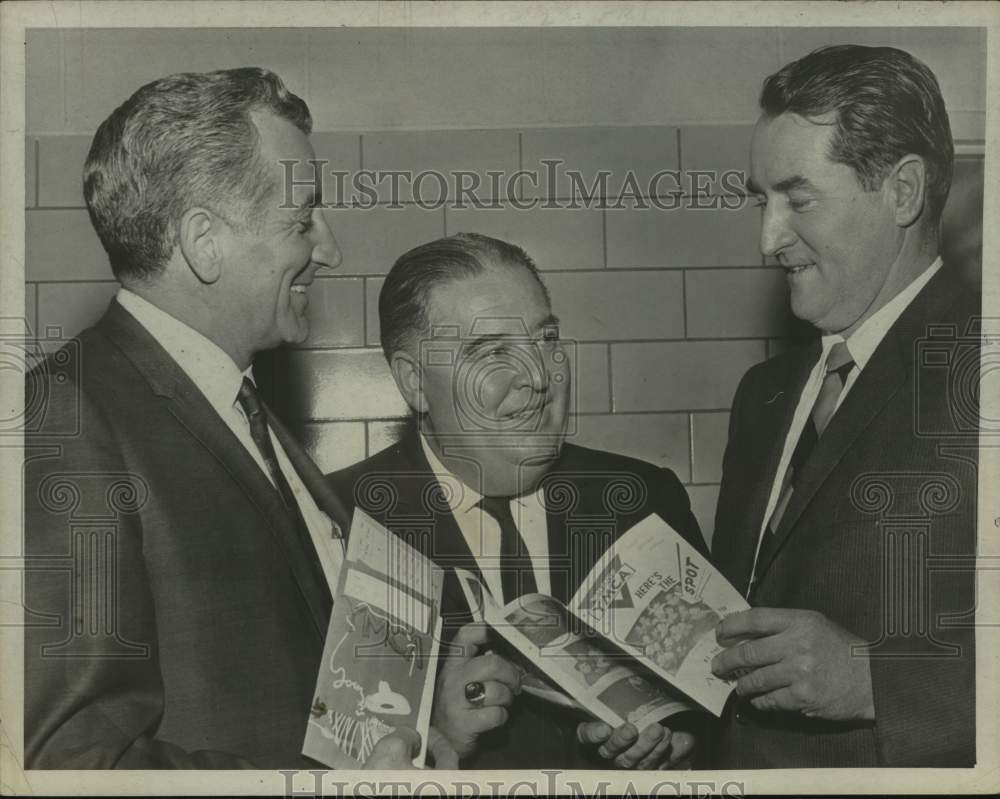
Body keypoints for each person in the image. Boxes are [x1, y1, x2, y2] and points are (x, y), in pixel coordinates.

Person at [23, 68, 455, 769]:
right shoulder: (65, 420)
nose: (330, 248)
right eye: (302, 217)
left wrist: (402, 734)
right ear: (204, 241)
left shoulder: (245, 407)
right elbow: (69, 763)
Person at [327, 232, 710, 769]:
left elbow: (724, 716)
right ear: (415, 383)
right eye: (490, 353)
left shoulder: (642, 501)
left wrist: (682, 755)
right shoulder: (339, 523)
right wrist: (436, 741)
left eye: (546, 339)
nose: (538, 377)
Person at [709, 45, 978, 767]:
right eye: (759, 200)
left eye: (798, 198)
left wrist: (874, 681)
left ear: (902, 191)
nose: (768, 238)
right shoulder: (761, 397)